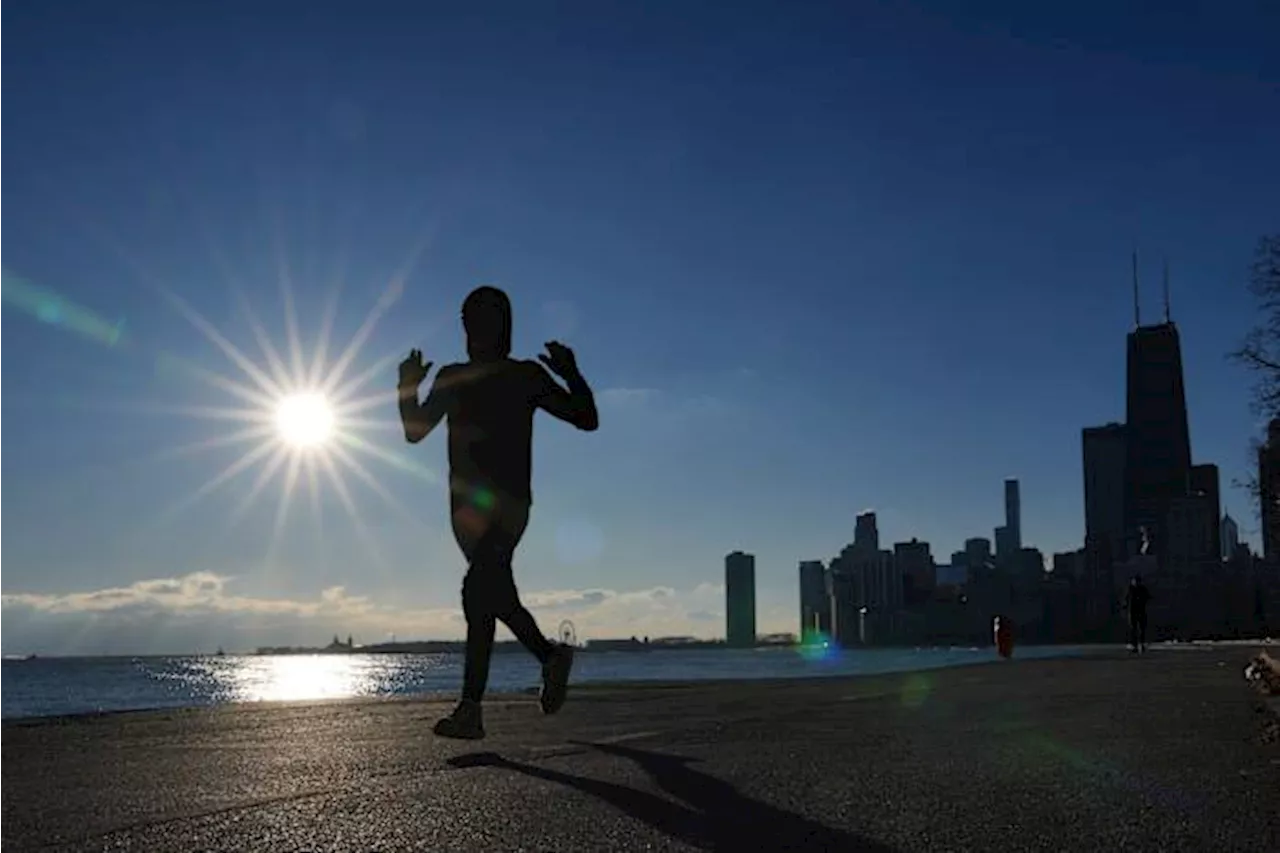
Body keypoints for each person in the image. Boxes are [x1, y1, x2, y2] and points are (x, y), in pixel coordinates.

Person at [397, 285, 599, 740]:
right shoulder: (453, 376)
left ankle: (471, 709)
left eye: (488, 322)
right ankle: (549, 658)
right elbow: (414, 432)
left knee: (477, 591)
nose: (479, 332)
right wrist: (407, 388)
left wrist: (572, 375)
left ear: (503, 327)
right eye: (472, 322)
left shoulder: (524, 376)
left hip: (507, 506)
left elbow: (585, 419)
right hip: (463, 513)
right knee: (489, 598)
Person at [1125, 574, 1150, 654]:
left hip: (1138, 611)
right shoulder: (1131, 589)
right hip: (1134, 612)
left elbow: (1126, 600)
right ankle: (1136, 645)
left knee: (1140, 629)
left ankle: (1140, 645)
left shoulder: (1135, 589)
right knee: (1134, 630)